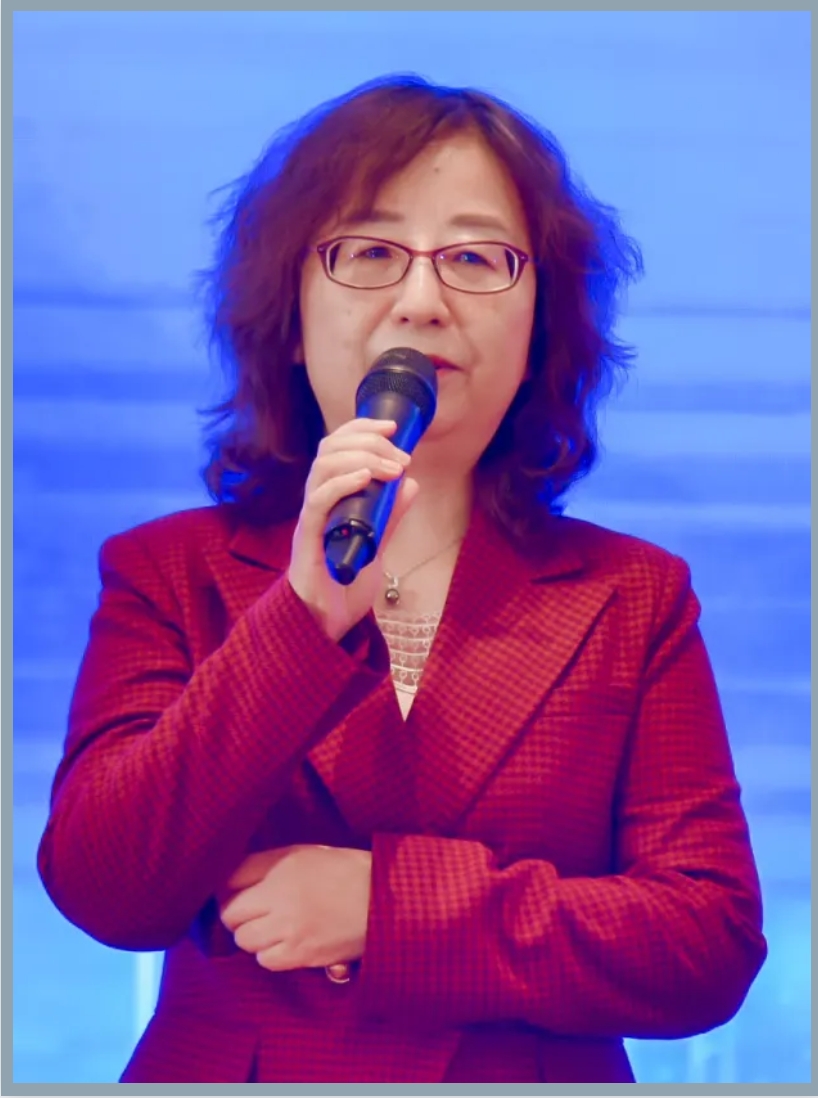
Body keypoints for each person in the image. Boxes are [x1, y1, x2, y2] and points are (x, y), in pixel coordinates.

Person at [36, 74, 766, 1084]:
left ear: (539, 332)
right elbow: (106, 888)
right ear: (292, 318)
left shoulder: (632, 597)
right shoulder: (170, 573)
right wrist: (300, 619)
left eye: (475, 258)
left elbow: (705, 944)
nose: (422, 301)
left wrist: (390, 909)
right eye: (371, 252)